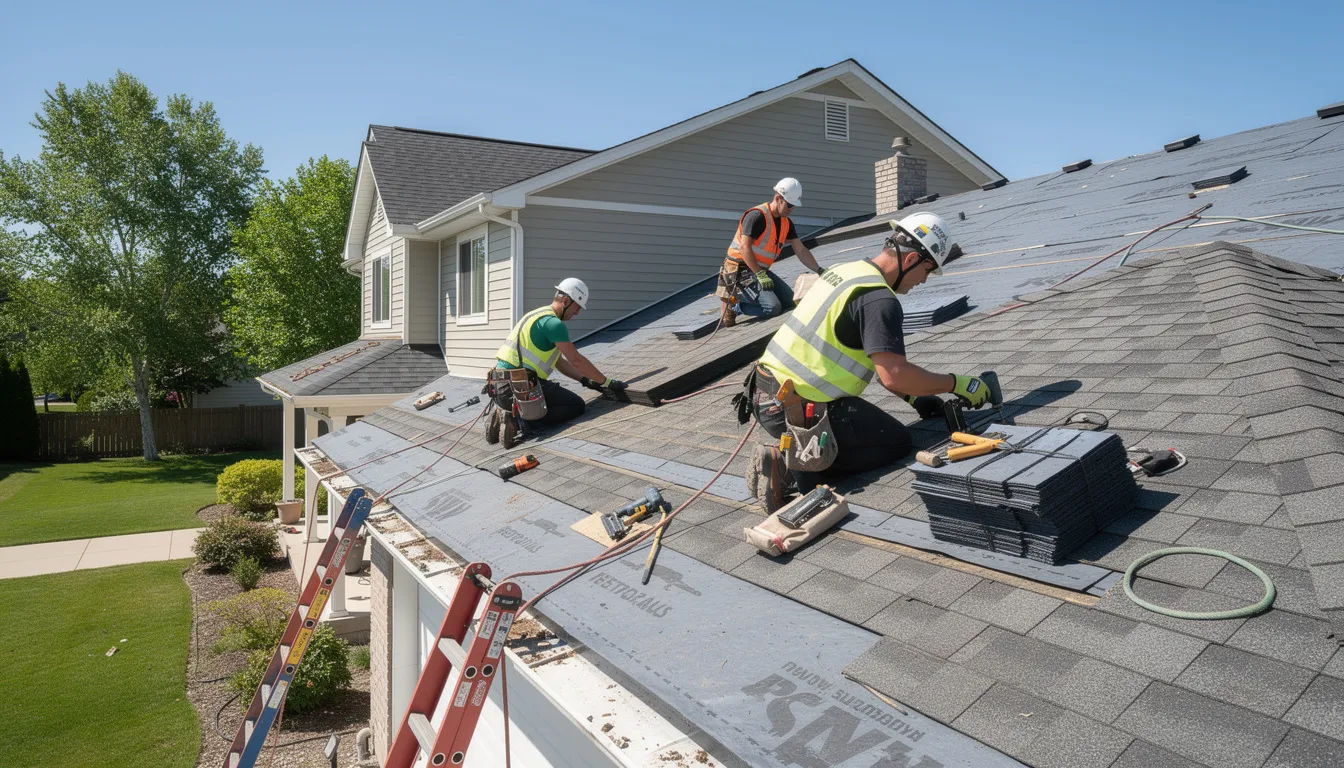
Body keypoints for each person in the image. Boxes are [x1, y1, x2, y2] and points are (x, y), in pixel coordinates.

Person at [739, 212, 991, 512]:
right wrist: (958, 383)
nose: (923, 280)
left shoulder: (846, 271)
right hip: (798, 411)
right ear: (910, 260)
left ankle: (792, 454)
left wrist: (914, 397)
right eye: (926, 269)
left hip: (764, 394)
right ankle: (791, 465)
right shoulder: (879, 300)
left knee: (874, 427)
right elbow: (893, 374)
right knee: (895, 442)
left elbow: (864, 352)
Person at [486, 278, 626, 443]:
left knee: (563, 400)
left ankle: (506, 409)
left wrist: (585, 380)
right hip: (521, 386)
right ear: (566, 300)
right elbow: (576, 360)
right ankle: (521, 420)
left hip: (500, 385)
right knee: (575, 406)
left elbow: (560, 362)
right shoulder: (554, 324)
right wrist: (606, 382)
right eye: (577, 307)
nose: (577, 312)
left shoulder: (537, 315)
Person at [718, 177, 824, 327]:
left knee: (789, 301)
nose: (791, 209)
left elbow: (800, 249)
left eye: (794, 206)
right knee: (772, 308)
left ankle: (748, 299)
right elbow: (744, 247)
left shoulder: (786, 223)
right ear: (778, 198)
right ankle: (736, 306)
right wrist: (759, 274)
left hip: (759, 271)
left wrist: (819, 270)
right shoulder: (756, 216)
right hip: (740, 270)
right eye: (789, 205)